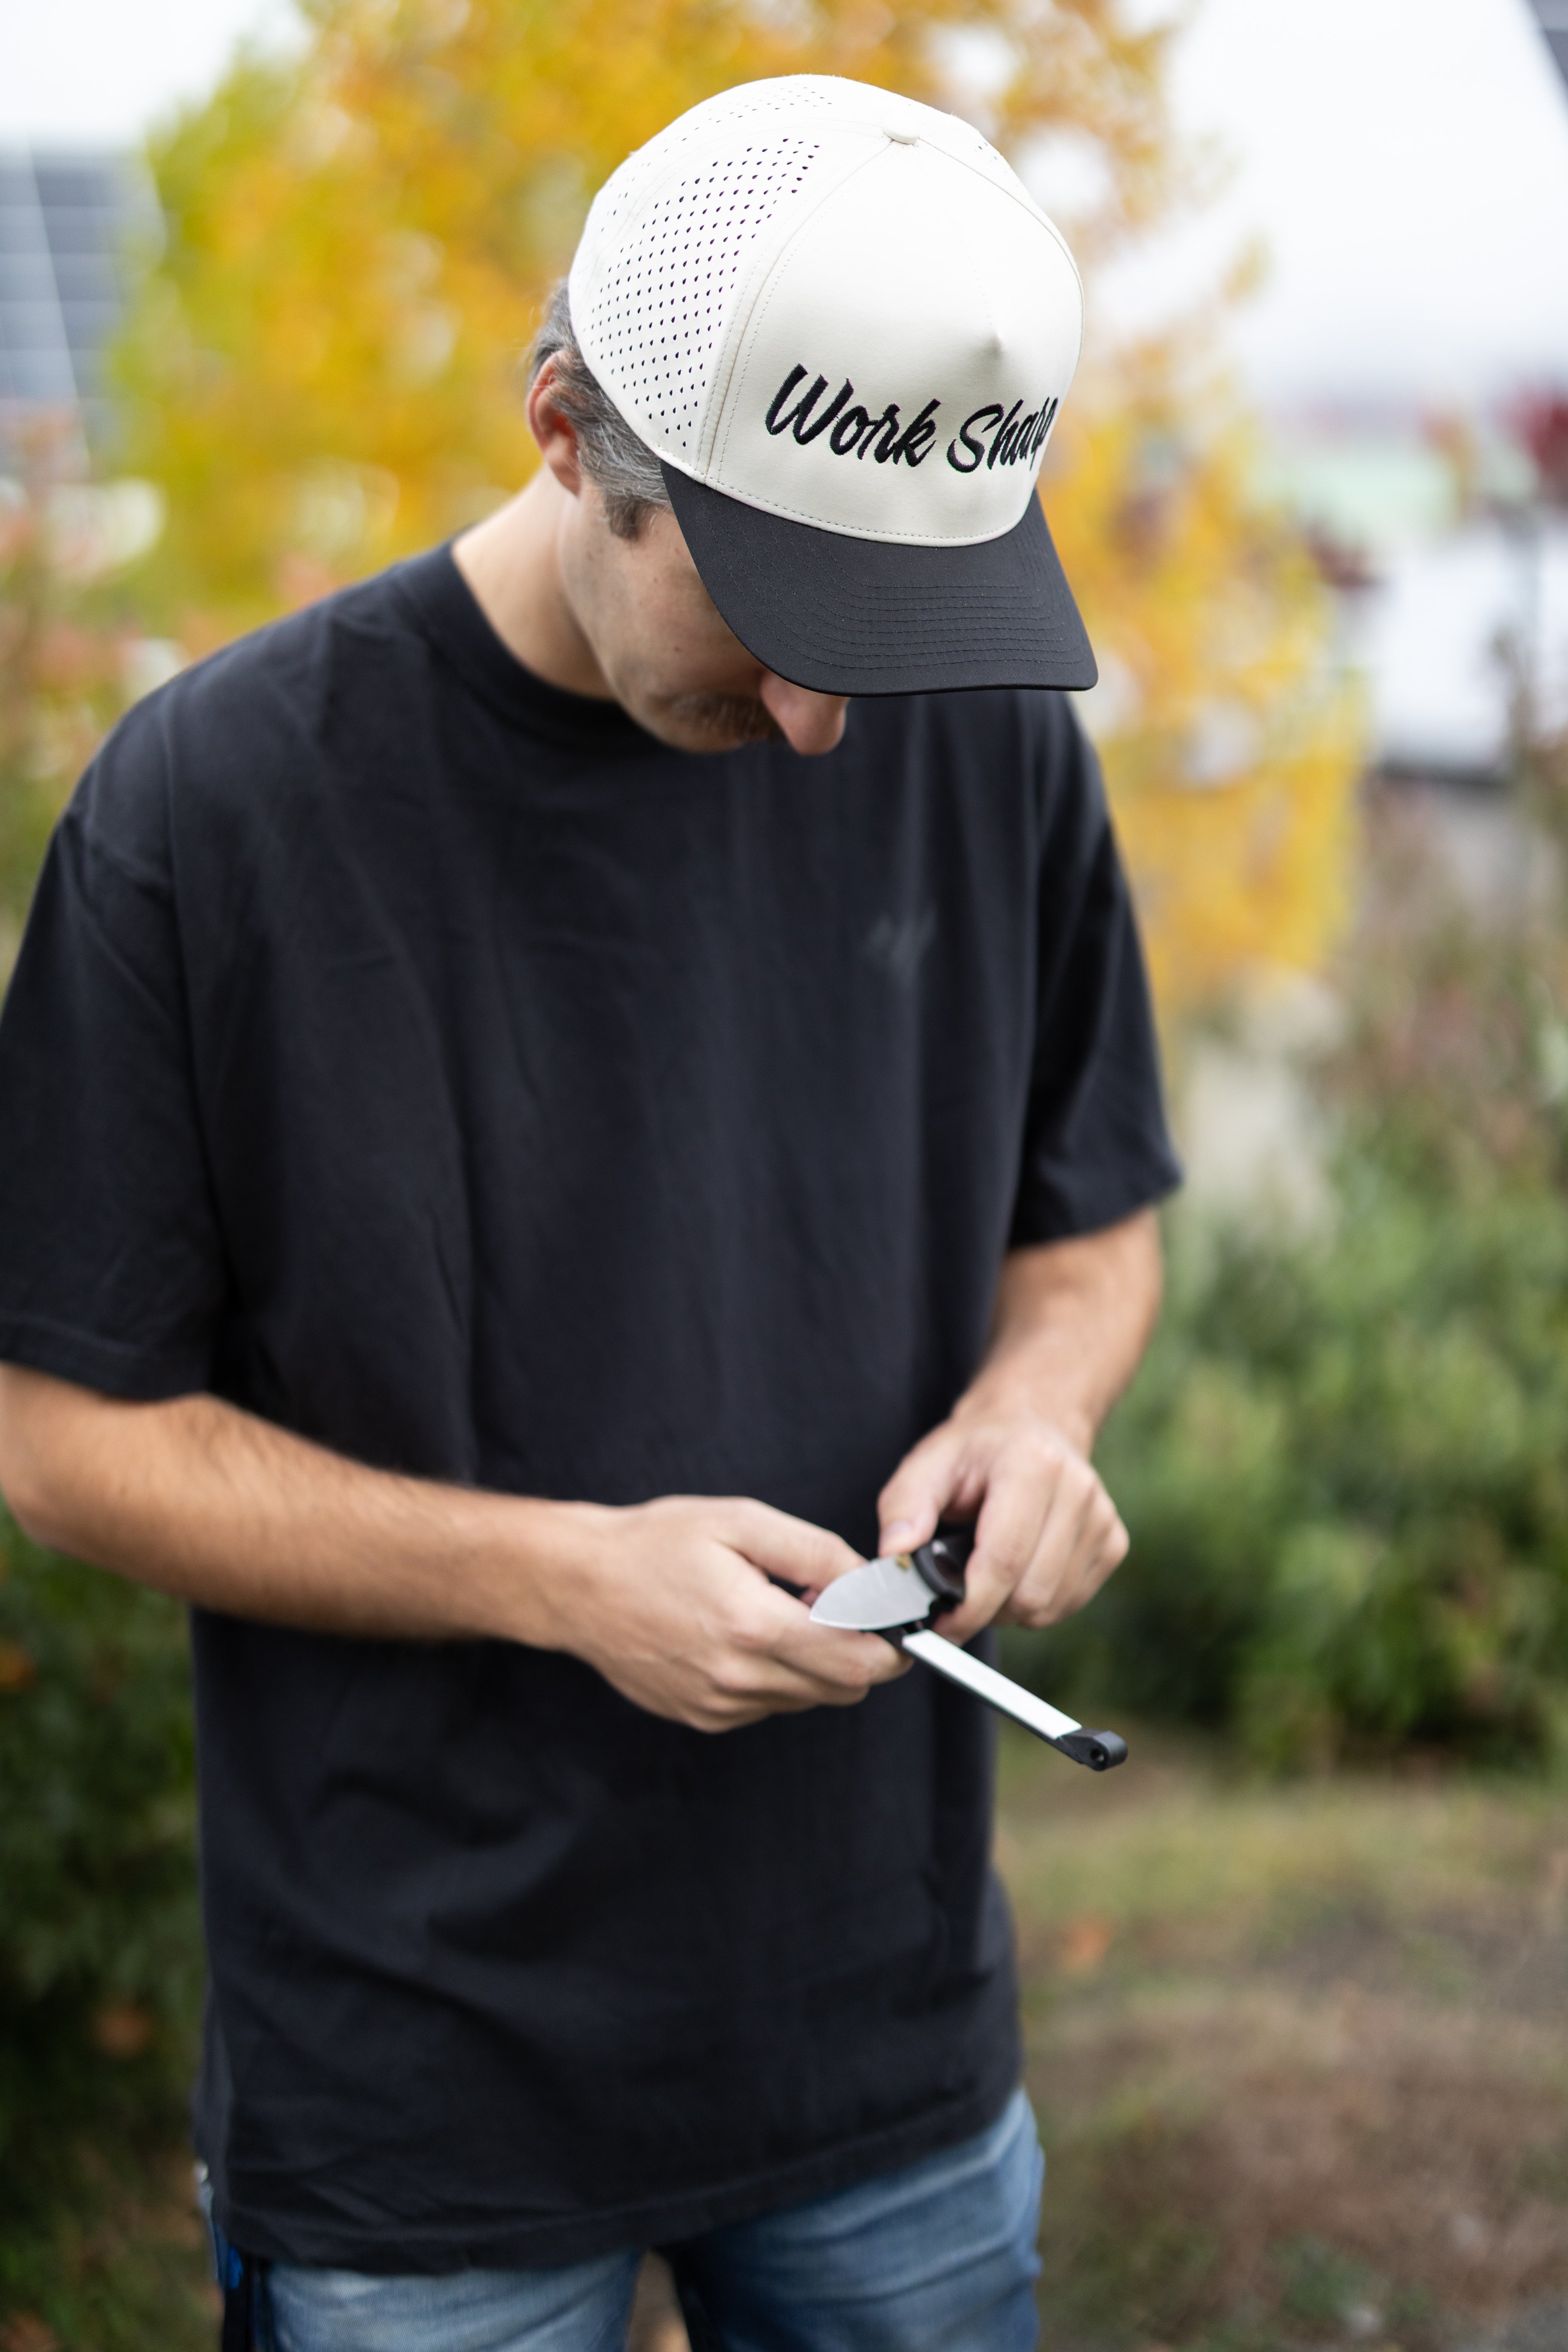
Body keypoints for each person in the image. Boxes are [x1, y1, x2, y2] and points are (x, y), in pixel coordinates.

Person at [0, 73, 1178, 2352]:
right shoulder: (210, 814)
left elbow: (1090, 1222)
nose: (842, 722)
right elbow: (61, 1442)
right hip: (425, 2097)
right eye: (784, 610)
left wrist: (1041, 1413)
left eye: (901, 619)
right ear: (570, 428)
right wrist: (561, 1581)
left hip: (892, 2051)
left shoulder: (988, 732)